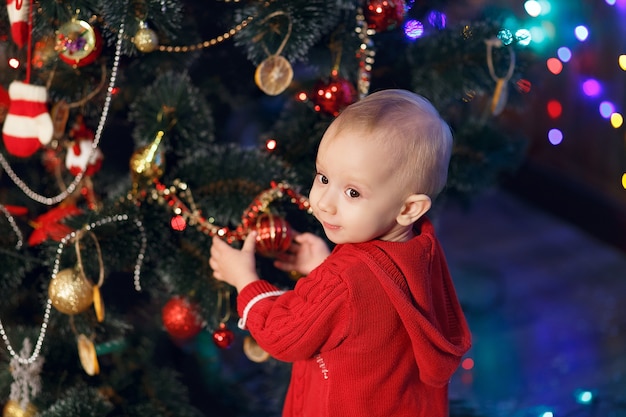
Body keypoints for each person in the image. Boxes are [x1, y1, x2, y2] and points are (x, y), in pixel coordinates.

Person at [209, 89, 472, 417]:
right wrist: (324, 264)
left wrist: (245, 280)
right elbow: (375, 303)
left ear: (409, 208)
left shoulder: (344, 278)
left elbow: (284, 335)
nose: (323, 202)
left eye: (352, 192)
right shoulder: (421, 247)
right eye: (323, 177)